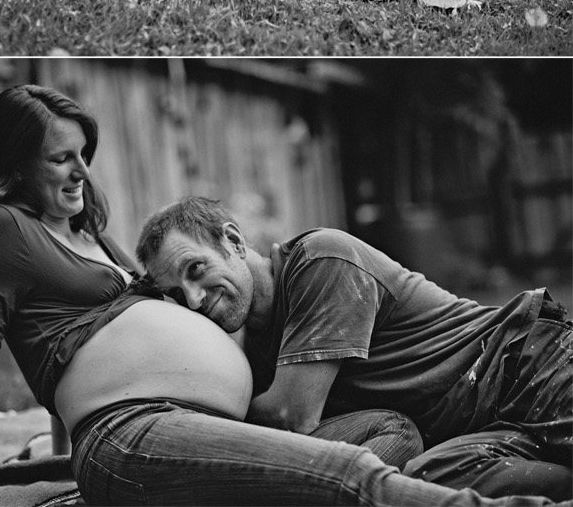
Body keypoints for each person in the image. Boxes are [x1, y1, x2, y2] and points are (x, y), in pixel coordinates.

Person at [0, 85, 533, 507]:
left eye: (83, 155)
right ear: (16, 164)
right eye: (60, 159)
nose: (80, 171)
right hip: (135, 427)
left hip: (200, 424)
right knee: (353, 473)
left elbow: (81, 337)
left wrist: (60, 453)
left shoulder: (88, 232)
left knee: (389, 429)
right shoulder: (1, 233)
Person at [136, 197, 572, 491]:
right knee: (426, 478)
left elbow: (293, 417)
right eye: (176, 294)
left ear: (232, 241)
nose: (193, 300)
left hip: (531, 364)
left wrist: (193, 432)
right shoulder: (253, 350)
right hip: (488, 430)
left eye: (195, 269)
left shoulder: (320, 260)